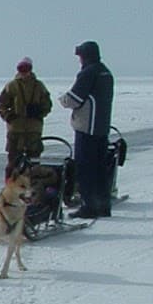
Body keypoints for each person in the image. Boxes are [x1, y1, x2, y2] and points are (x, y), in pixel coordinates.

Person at [60, 40, 115, 218]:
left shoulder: (89, 73)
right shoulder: (105, 72)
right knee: (100, 168)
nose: (79, 60)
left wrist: (63, 100)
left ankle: (89, 206)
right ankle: (103, 205)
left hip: (87, 128)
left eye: (80, 56)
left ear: (86, 56)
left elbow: (75, 98)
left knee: (85, 168)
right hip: (102, 126)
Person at [0, 56, 53, 172]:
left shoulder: (39, 86)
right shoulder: (11, 86)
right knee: (13, 163)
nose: (24, 71)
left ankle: (32, 185)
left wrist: (39, 113)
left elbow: (47, 104)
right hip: (15, 130)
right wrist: (8, 116)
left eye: (26, 68)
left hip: (33, 130)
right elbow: (1, 104)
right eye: (21, 68)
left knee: (34, 163)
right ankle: (11, 187)